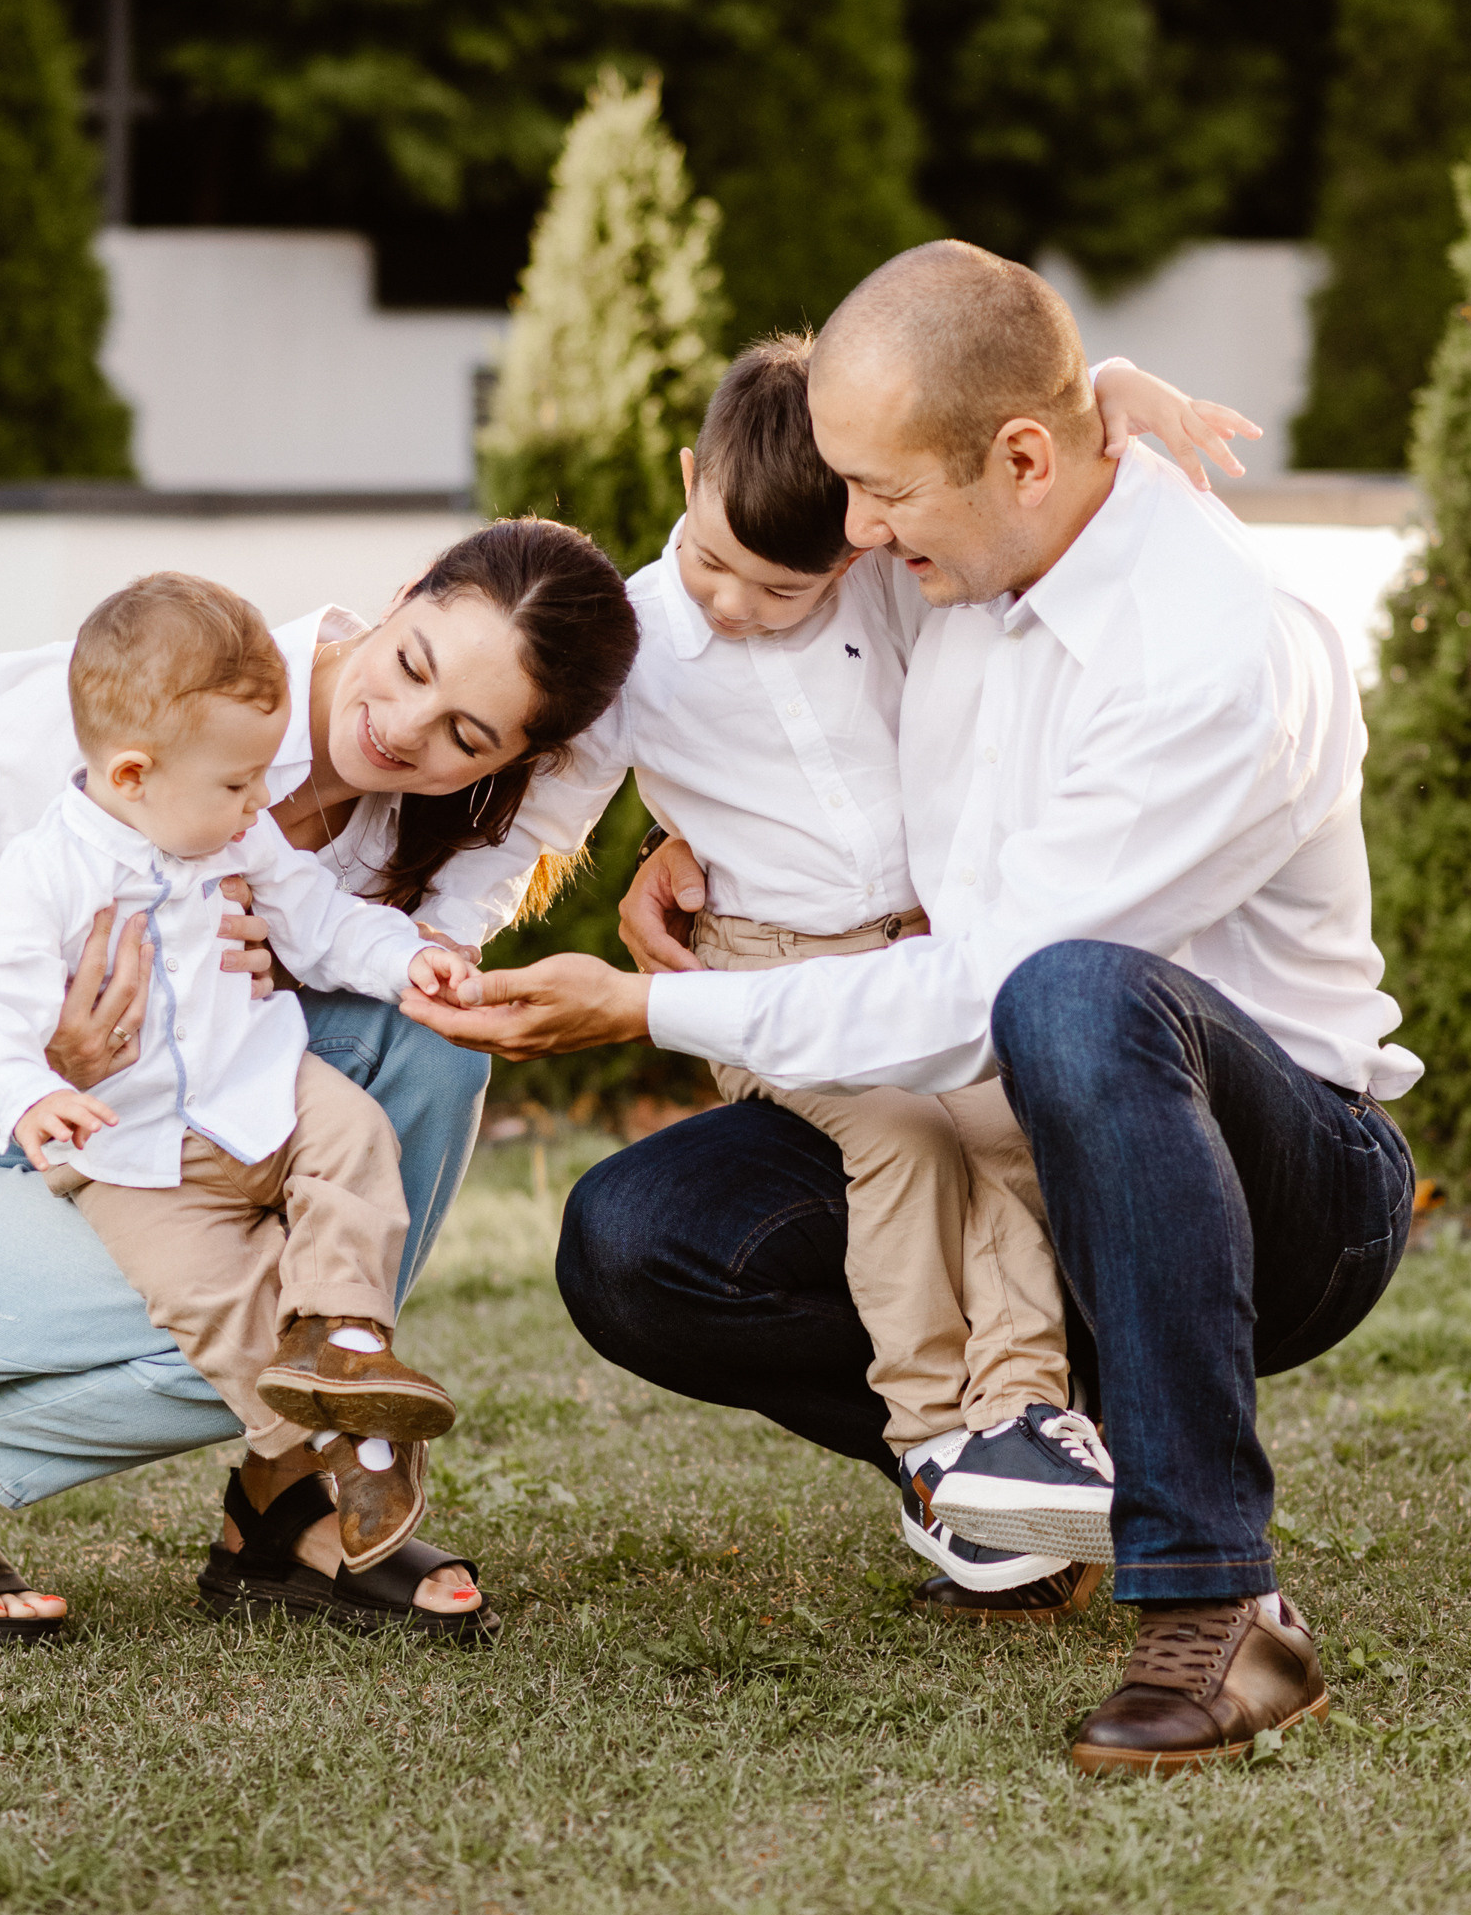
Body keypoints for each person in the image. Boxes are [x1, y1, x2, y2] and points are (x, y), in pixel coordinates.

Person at [403, 244, 1418, 1769]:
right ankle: (1007, 1479)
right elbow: (973, 360)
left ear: (1022, 461)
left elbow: (981, 993)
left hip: (1279, 1179)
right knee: (636, 1243)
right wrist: (710, 846)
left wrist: (643, 1011)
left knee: (1066, 996)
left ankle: (1221, 1608)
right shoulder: (968, 540)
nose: (854, 532)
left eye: (879, 500)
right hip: (1005, 1111)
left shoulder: (1208, 652)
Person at [0, 517, 638, 1641]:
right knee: (258, 1331)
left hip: (145, 1148)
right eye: (411, 662)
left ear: (508, 759)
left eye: (466, 734)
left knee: (418, 1048)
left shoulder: (393, 836)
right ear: (402, 590)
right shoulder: (145, 699)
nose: (405, 729)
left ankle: (290, 1494)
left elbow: (577, 772)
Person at [490, 337, 1258, 1604]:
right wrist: (450, 935)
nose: (735, 603)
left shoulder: (892, 588)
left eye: (781, 588)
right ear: (688, 479)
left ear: (852, 548)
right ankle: (929, 1445)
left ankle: (1026, 1419)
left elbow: (995, 418)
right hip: (759, 966)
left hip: (919, 942)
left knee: (1011, 1124)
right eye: (714, 562)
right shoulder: (636, 640)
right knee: (901, 1136)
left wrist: (1114, 385)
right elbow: (543, 810)